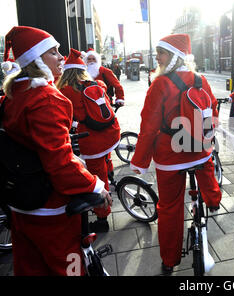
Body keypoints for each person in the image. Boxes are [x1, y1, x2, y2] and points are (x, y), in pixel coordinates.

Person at [1, 26, 111, 275]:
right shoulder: (46, 99)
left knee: (29, 268)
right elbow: (60, 164)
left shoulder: (11, 95)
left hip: (19, 204)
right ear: (36, 59)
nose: (62, 57)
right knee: (70, 268)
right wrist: (96, 186)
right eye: (53, 52)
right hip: (50, 208)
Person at [129, 33, 222, 274]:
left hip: (170, 156)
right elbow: (213, 111)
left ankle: (170, 260)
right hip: (199, 149)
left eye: (161, 52)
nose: (156, 57)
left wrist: (140, 161)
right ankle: (213, 201)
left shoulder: (160, 84)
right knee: (206, 167)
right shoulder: (201, 80)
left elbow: (148, 127)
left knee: (169, 208)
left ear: (174, 56)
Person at [57, 48, 121, 232]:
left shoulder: (66, 90)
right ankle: (109, 173)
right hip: (111, 132)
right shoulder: (96, 83)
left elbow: (70, 116)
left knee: (97, 177)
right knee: (104, 163)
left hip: (92, 139)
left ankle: (102, 219)